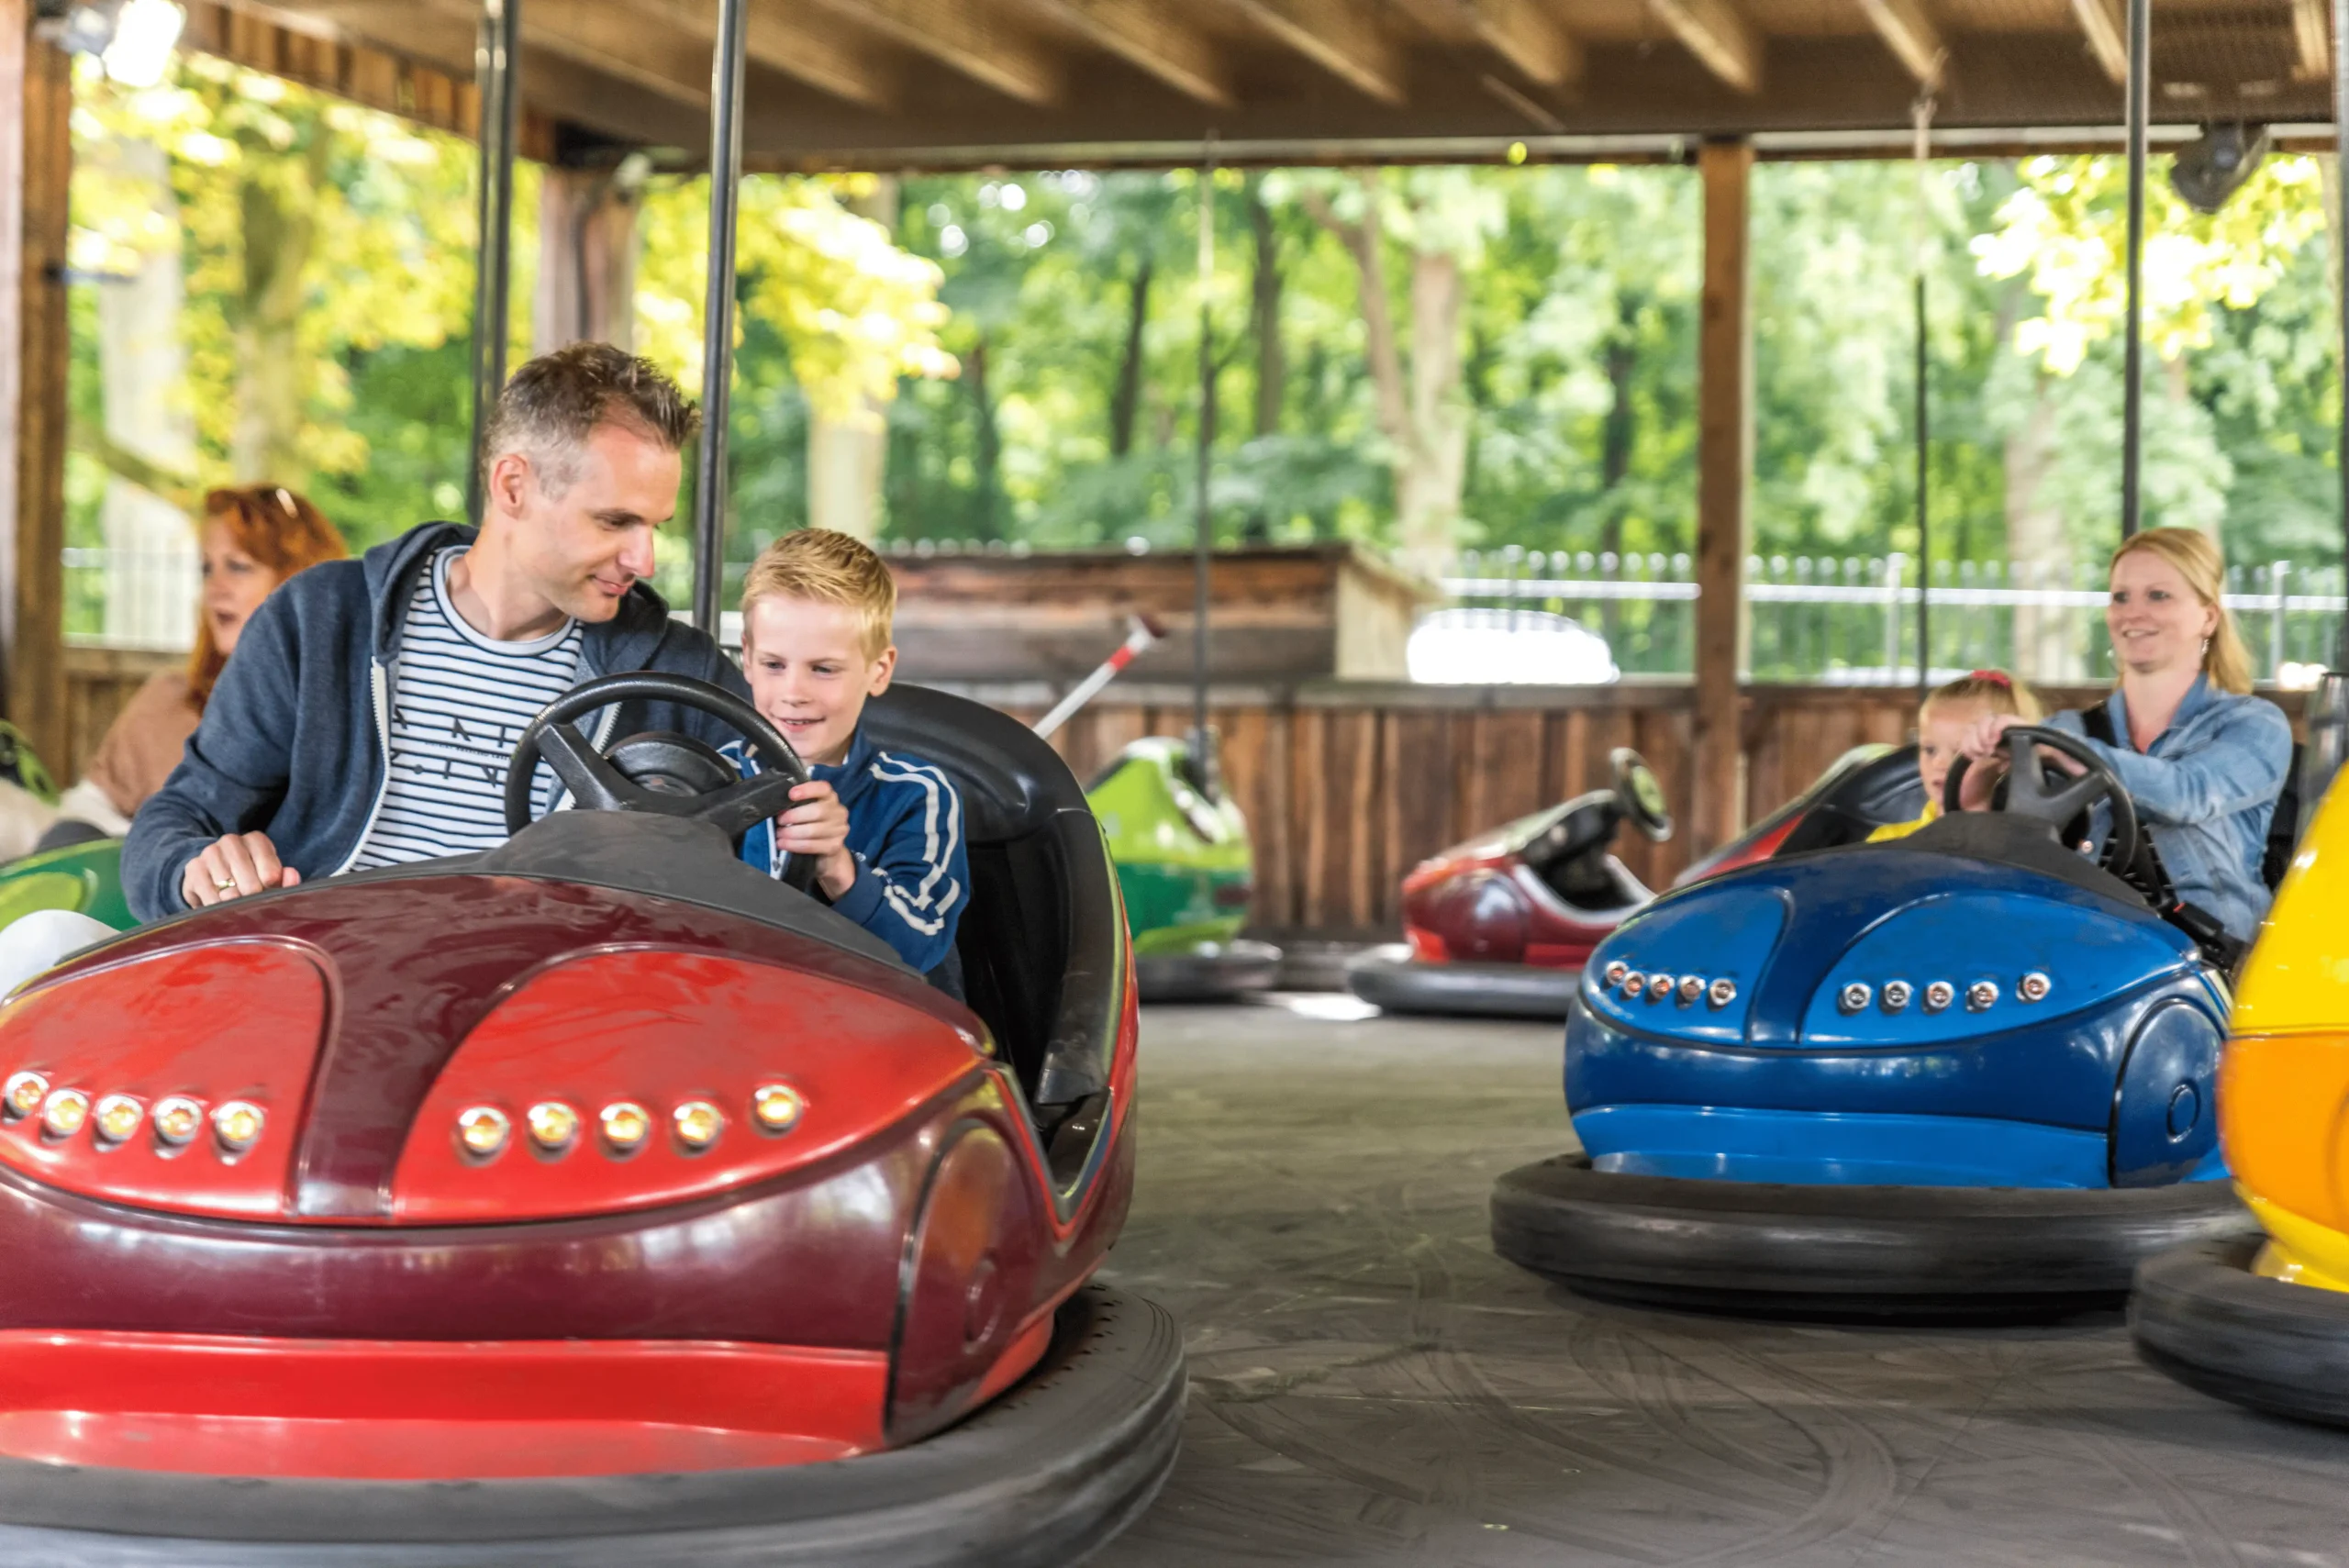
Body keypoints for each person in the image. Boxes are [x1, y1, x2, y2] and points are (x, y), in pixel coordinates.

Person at [119, 342, 757, 922]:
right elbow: (174, 825)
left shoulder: (680, 675)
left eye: (654, 526)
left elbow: (794, 836)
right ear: (513, 486)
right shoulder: (320, 619)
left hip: (550, 1010)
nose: (644, 561)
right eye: (615, 521)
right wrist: (194, 871)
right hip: (318, 979)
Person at [1955, 526, 2291, 946]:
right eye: (2120, 597)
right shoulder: (2064, 731)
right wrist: (1978, 790)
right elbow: (2015, 855)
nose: (2133, 613)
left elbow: (2187, 794)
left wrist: (2075, 757)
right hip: (2090, 946)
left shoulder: (2254, 724)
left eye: (2158, 595)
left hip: (2206, 957)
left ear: (2208, 617)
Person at [722, 528, 967, 990]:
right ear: (748, 661)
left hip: (874, 1025)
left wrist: (838, 867)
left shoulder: (917, 795)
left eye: (823, 669)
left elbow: (921, 945)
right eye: (775, 665)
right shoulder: (710, 777)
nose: (793, 693)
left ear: (879, 671)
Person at [50, 487, 348, 839]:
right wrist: (158, 855)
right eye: (207, 568)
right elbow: (84, 817)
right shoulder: (170, 700)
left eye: (238, 566)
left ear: (302, 583)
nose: (215, 586)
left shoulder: (346, 721)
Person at [1867, 670, 2043, 843]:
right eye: (1929, 750)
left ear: (2004, 759)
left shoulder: (2019, 845)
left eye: (1959, 753)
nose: (1938, 763)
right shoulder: (1887, 842)